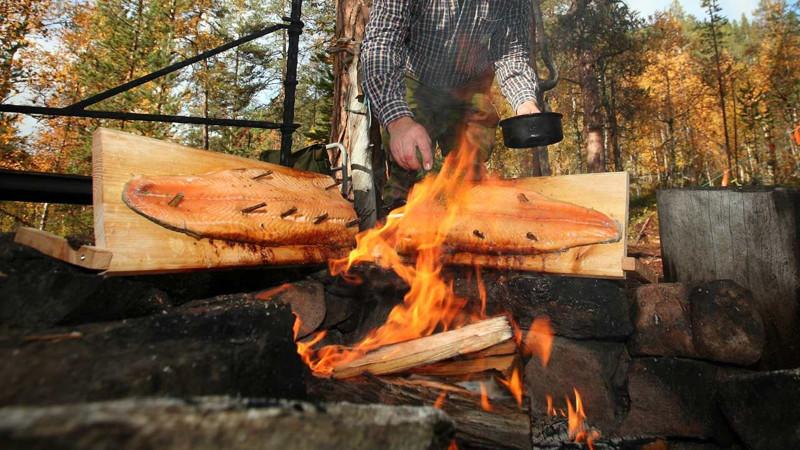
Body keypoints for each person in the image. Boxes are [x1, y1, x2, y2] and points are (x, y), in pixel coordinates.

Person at [361, 0, 541, 211]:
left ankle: (467, 231)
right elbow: (381, 44)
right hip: (415, 80)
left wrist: (525, 102)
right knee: (409, 167)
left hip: (472, 85)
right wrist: (398, 121)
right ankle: (397, 227)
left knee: (470, 173)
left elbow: (510, 53)